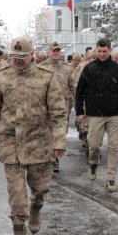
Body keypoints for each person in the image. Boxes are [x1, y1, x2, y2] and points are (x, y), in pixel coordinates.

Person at [0, 36, 66, 235]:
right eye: (14, 57)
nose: (18, 61)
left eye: (22, 57)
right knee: (17, 195)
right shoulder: (0, 77)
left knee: (40, 188)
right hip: (10, 141)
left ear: (32, 55)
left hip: (39, 142)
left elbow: (59, 113)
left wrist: (59, 141)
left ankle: (36, 207)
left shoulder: (47, 77)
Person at [75, 38, 118, 192]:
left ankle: (110, 178)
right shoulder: (89, 68)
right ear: (96, 50)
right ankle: (93, 164)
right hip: (95, 114)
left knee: (114, 146)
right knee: (94, 145)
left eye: (105, 51)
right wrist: (80, 112)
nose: (102, 54)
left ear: (110, 50)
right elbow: (80, 91)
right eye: (99, 51)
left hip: (114, 114)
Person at [45, 41, 73, 172]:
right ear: (49, 52)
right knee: (48, 131)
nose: (56, 53)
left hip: (63, 106)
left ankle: (55, 156)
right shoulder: (41, 68)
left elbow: (73, 86)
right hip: (47, 106)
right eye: (54, 51)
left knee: (60, 132)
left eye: (58, 51)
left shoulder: (67, 68)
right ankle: (52, 159)